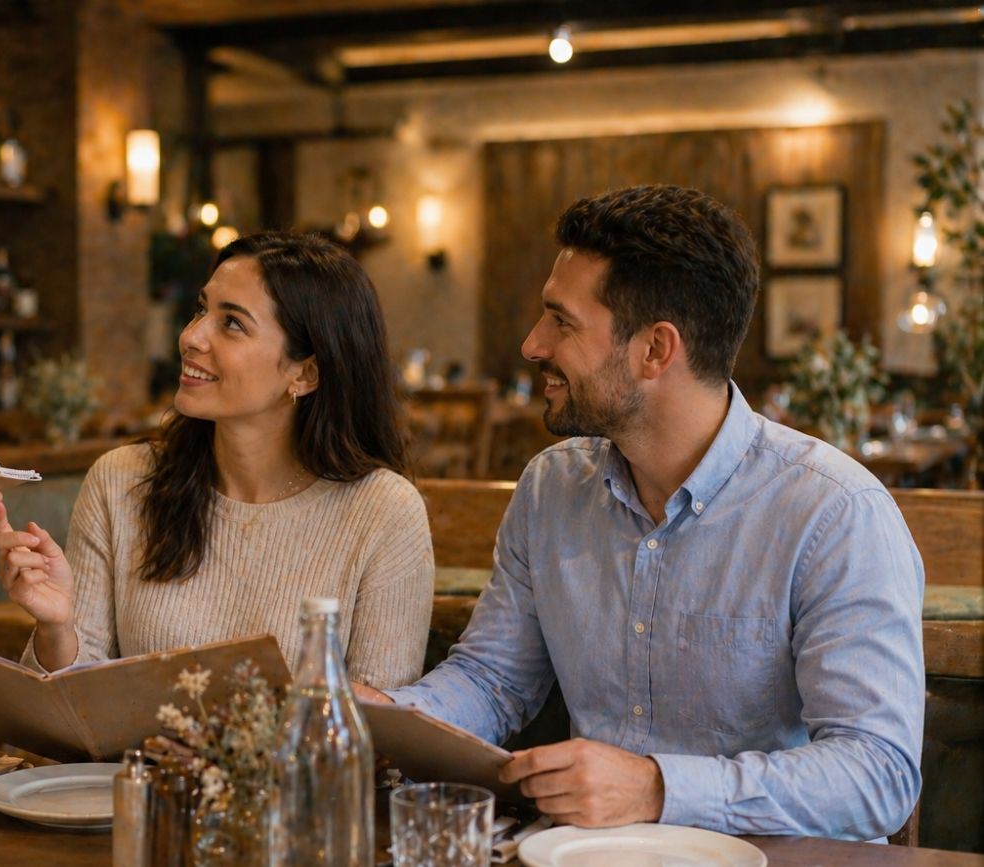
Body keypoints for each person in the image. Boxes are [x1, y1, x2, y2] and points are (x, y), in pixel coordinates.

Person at [361, 185, 924, 841]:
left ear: (656, 350)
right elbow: (491, 683)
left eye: (561, 321)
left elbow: (877, 775)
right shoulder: (550, 489)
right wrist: (388, 712)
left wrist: (657, 787)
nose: (531, 344)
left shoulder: (834, 513)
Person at [0, 232, 433, 689]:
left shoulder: (384, 513)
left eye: (232, 324)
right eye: (202, 309)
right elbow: (72, 712)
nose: (191, 336)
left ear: (305, 373)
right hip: (126, 764)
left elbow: (378, 734)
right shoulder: (121, 481)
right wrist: (57, 628)